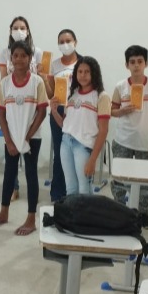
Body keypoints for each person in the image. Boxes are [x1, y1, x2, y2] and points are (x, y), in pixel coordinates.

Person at [0, 41, 47, 236]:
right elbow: (1, 115)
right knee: (9, 174)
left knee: (30, 174)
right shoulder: (5, 83)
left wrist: (27, 136)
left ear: (30, 59)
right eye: (15, 55)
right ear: (11, 59)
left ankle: (30, 218)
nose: (19, 59)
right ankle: (3, 213)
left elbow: (42, 112)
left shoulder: (37, 82)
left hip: (31, 138)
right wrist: (9, 140)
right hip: (11, 137)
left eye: (23, 56)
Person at [109, 45, 148, 229]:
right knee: (119, 179)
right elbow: (111, 111)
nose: (136, 65)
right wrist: (121, 111)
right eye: (132, 62)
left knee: (143, 181)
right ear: (127, 65)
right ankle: (119, 210)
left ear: (146, 63)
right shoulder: (120, 86)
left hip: (145, 142)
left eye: (140, 61)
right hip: (123, 140)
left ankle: (142, 213)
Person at [49, 57, 110, 195]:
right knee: (70, 187)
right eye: (80, 71)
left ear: (94, 73)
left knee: (84, 189)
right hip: (66, 143)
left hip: (84, 147)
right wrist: (53, 111)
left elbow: (104, 130)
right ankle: (73, 217)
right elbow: (65, 125)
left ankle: (86, 217)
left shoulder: (101, 96)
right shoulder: (72, 95)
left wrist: (93, 159)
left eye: (87, 71)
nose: (83, 75)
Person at [42, 29, 82, 202]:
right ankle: (58, 193)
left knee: (77, 153)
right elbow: (51, 94)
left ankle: (76, 194)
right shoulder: (55, 65)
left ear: (75, 42)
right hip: (58, 111)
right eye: (61, 41)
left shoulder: (83, 64)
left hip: (78, 111)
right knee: (60, 153)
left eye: (68, 40)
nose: (65, 44)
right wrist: (44, 79)